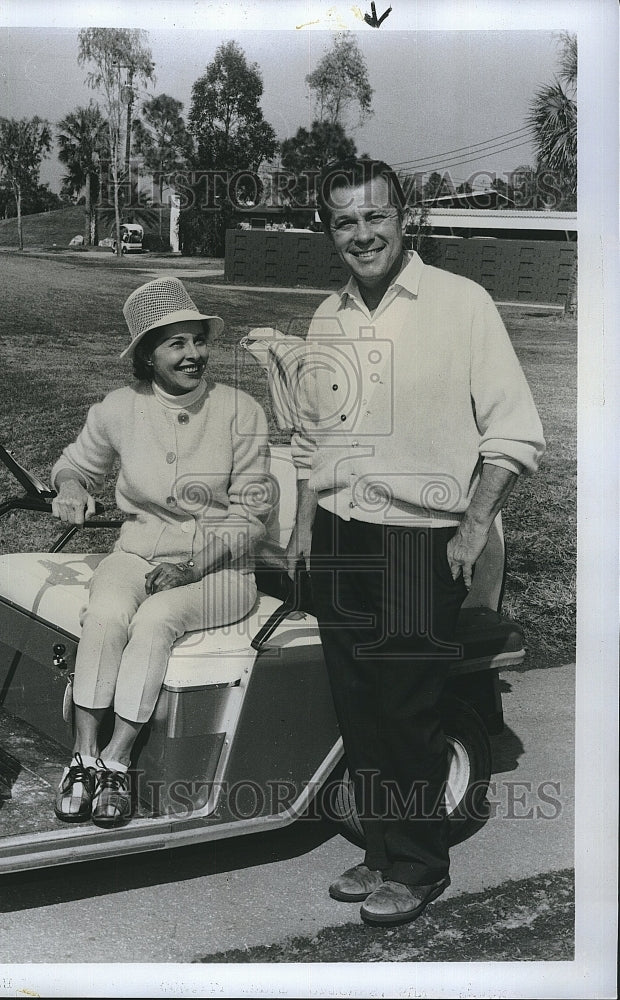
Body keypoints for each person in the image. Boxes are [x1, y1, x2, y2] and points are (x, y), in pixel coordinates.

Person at [285, 157, 546, 926]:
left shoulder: (463, 304)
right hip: (338, 536)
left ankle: (422, 865)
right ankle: (381, 852)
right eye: (345, 221)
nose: (361, 233)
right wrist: (305, 521)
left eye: (375, 216)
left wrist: (472, 527)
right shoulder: (328, 316)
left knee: (409, 710)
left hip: (417, 539)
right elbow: (312, 436)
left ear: (406, 219)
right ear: (329, 230)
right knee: (359, 706)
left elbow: (515, 432)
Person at [50, 277, 272, 828]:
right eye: (175, 343)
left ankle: (117, 760)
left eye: (197, 340)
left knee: (155, 618)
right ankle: (82, 755)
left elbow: (251, 512)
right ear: (147, 355)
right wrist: (72, 487)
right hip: (137, 552)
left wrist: (193, 566)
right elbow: (74, 463)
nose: (193, 354)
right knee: (105, 612)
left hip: (221, 569)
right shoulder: (118, 409)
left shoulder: (241, 411)